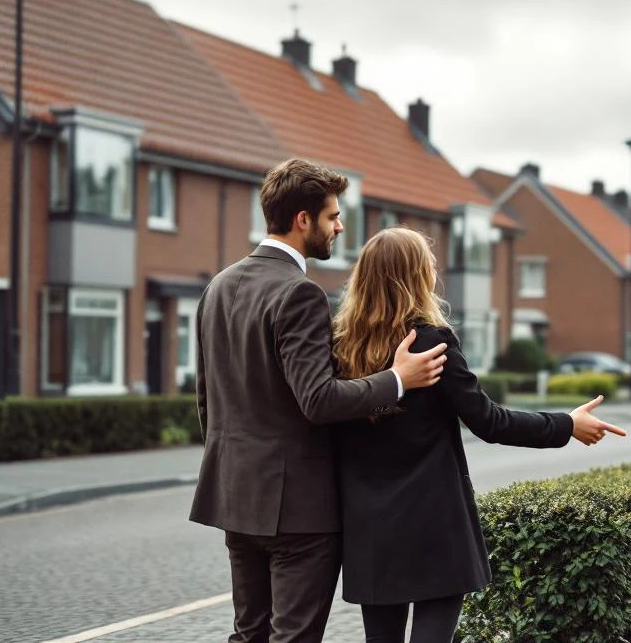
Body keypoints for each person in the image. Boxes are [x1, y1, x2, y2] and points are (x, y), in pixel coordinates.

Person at [190, 159, 449, 643]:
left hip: (234, 496)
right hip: (298, 511)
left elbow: (207, 397)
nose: (340, 226)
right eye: (332, 216)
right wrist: (396, 378)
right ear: (302, 220)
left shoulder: (218, 287)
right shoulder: (298, 294)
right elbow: (319, 400)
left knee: (250, 635)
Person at [332, 226, 628, 643]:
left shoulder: (342, 346)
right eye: (429, 265)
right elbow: (489, 422)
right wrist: (567, 425)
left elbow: (348, 416)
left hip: (371, 531)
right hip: (433, 526)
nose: (436, 272)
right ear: (414, 276)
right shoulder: (431, 343)